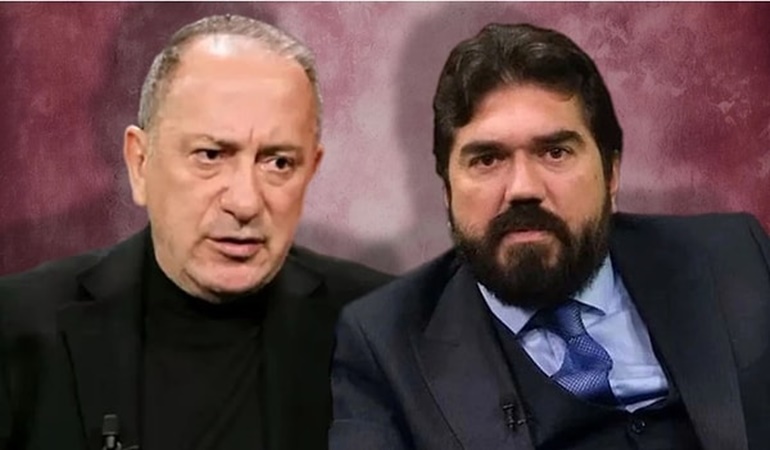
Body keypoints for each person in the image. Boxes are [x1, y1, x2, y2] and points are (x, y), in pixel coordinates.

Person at [330, 23, 770, 450]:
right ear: (447, 193)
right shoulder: (384, 346)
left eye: (555, 152)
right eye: (487, 159)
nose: (523, 189)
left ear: (611, 174)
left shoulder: (732, 256)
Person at [0, 15, 390, 450]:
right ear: (140, 163)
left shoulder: (387, 329)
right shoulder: (16, 329)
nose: (244, 202)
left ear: (311, 169)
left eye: (279, 162)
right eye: (210, 155)